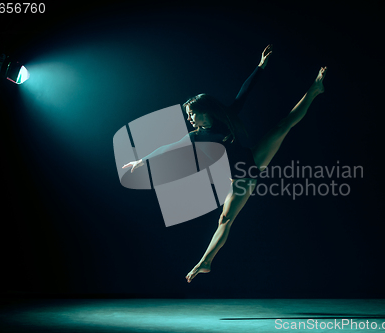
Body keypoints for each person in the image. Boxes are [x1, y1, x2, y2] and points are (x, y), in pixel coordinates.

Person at [122, 44, 327, 283]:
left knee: (283, 126)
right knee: (225, 219)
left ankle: (314, 89)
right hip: (242, 178)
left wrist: (260, 67)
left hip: (254, 159)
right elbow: (169, 148)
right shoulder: (195, 136)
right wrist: (143, 159)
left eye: (191, 113)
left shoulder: (226, 117)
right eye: (187, 115)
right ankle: (205, 262)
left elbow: (245, 91)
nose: (189, 118)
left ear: (205, 111)